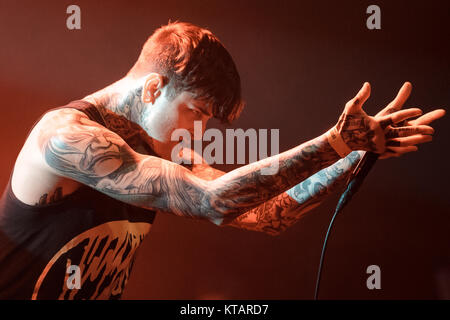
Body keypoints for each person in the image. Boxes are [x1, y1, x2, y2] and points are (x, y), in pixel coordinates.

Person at [0, 21, 444, 300]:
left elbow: (270, 215)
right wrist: (334, 142)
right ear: (154, 88)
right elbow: (212, 202)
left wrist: (354, 154)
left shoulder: (165, 156)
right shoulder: (64, 136)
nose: (198, 129)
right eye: (195, 110)